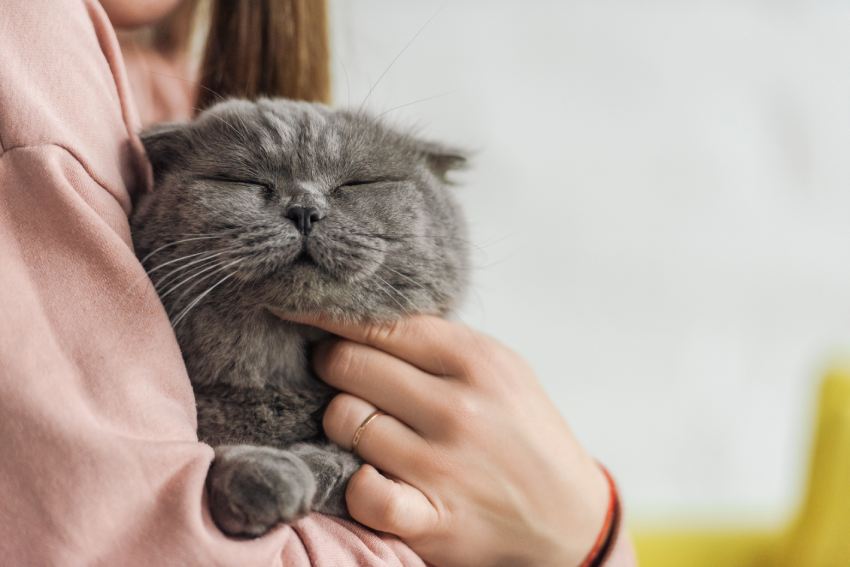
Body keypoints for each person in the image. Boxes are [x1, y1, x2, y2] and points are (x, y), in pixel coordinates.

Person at [0, 0, 637, 565]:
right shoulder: (30, 40)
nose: (305, 211)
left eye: (359, 188)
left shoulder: (176, 79)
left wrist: (588, 530)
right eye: (240, 185)